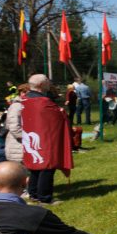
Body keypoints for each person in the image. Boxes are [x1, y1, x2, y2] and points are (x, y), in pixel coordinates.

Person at [20, 74, 73, 204]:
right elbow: (59, 116)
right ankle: (45, 198)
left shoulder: (24, 99)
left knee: (34, 167)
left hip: (33, 137)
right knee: (47, 167)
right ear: (41, 85)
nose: (50, 84)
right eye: (47, 82)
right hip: (45, 139)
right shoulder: (43, 102)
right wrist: (61, 111)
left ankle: (34, 194)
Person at [4, 83, 30, 164]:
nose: (26, 95)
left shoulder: (27, 105)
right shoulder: (17, 106)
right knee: (19, 172)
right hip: (17, 145)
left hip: (25, 144)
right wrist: (27, 138)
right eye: (24, 92)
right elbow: (14, 127)